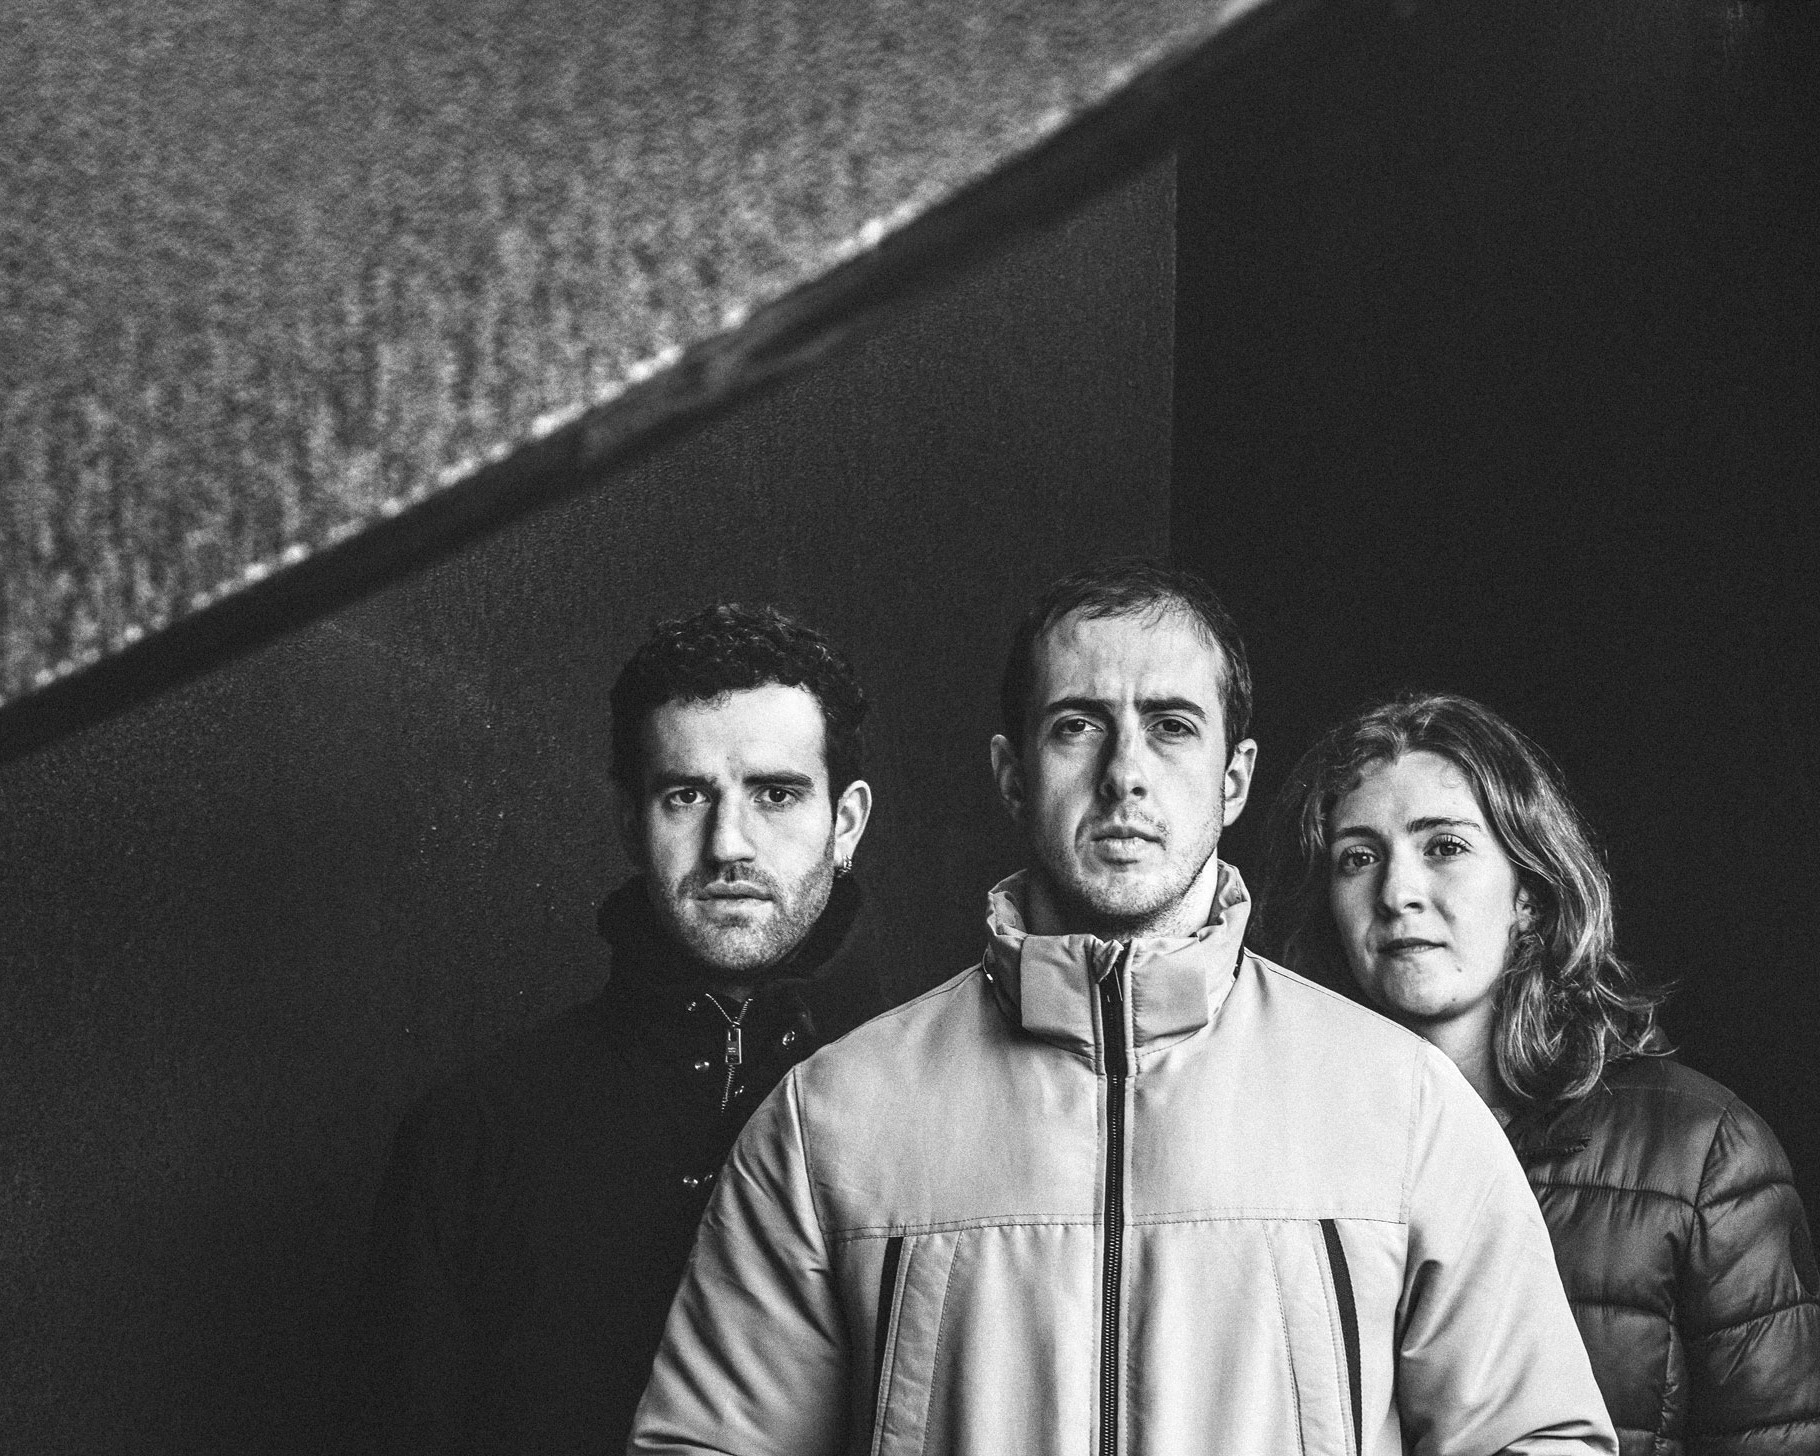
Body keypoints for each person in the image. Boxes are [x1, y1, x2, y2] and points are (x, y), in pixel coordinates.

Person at [631, 561, 1615, 1455]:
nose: (1124, 773)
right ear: (1012, 776)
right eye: (1077, 725)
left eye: (1171, 725)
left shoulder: (1403, 1107)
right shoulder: (830, 1122)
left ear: (1233, 779)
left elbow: (1537, 1440)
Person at [365, 602, 880, 1455]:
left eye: (776, 794)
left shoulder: (928, 1105)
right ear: (630, 822)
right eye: (687, 796)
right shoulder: (472, 1134)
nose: (729, 843)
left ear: (847, 821)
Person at [1257, 691, 1820, 1455]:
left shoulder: (1703, 1156)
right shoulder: (1287, 1152)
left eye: (1444, 847)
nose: (1397, 893)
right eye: (1358, 857)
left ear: (1528, 894)